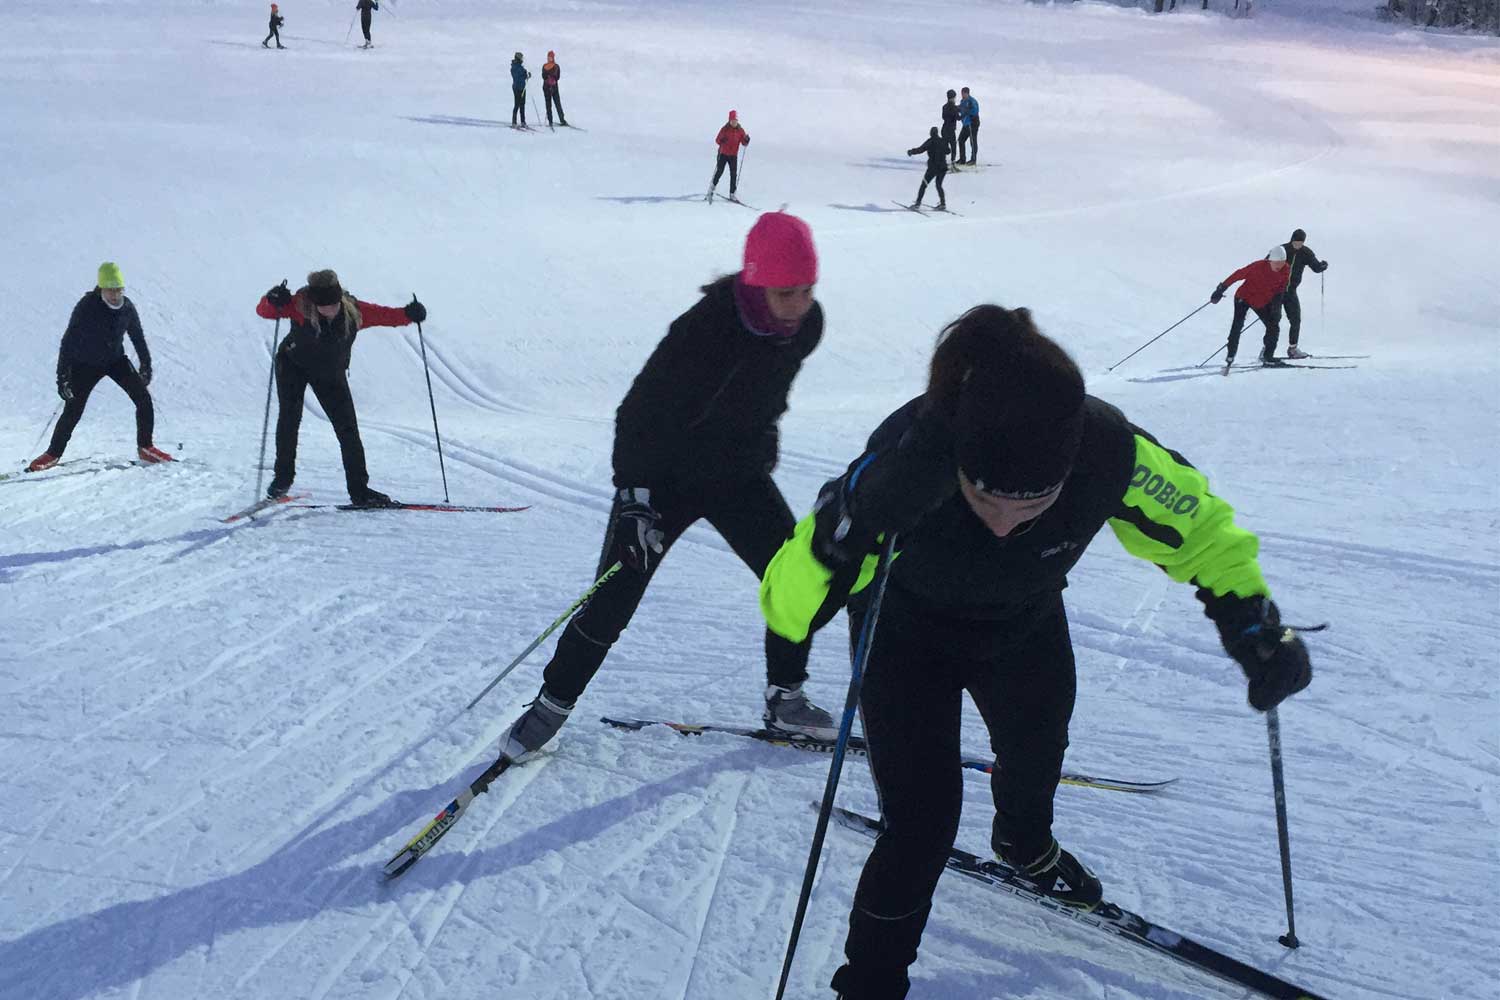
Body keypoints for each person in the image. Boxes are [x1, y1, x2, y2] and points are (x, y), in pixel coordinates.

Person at [758, 305, 1314, 1000]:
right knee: (922, 826)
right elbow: (786, 608)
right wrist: (848, 526)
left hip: (1021, 623)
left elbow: (1201, 529)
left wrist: (1251, 620)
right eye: (985, 499)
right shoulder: (911, 457)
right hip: (905, 637)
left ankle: (1024, 844)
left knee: (1039, 742)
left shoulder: (1109, 451)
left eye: (1033, 506)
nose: (1002, 525)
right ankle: (868, 985)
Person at [496, 212, 836, 765]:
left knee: (793, 581)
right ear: (754, 283)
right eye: (785, 293)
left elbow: (764, 392)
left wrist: (761, 438)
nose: (799, 305)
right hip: (663, 479)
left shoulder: (805, 327)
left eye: (806, 290)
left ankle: (785, 699)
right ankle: (551, 706)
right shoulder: (703, 331)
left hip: (735, 475)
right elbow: (636, 414)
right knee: (614, 595)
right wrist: (634, 499)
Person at [254, 270, 426, 506]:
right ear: (314, 302)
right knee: (289, 419)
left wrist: (409, 314)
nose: (329, 309)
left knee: (348, 430)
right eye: (323, 305)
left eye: (333, 304)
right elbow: (264, 311)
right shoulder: (298, 305)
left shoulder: (354, 312)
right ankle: (282, 479)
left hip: (329, 374)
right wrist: (271, 298)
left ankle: (360, 491)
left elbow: (386, 315)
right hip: (292, 365)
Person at [27, 263, 174, 472]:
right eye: (110, 290)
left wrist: (146, 365)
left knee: (143, 398)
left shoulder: (127, 307)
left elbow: (137, 336)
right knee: (73, 409)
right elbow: (68, 341)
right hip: (85, 364)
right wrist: (63, 378)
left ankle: (146, 447)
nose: (115, 295)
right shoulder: (87, 306)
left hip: (115, 361)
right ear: (101, 288)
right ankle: (52, 454)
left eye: (119, 290)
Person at [1211, 246, 1290, 370]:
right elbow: (1237, 275)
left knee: (1273, 326)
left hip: (1262, 301)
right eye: (1276, 263)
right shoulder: (1258, 266)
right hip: (1243, 297)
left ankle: (1268, 357)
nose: (1279, 266)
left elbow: (1281, 288)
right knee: (1237, 325)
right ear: (1270, 261)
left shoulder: (1285, 269)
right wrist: (1221, 289)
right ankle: (1231, 355)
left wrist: (1277, 305)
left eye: (1282, 262)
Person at [1278, 228, 1329, 359]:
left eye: (1300, 242)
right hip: (1275, 291)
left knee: (1295, 320)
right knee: (1273, 321)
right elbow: (1266, 265)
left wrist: (1322, 266)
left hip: (1290, 292)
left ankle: (1293, 349)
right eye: (1296, 241)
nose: (1298, 244)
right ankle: (1267, 349)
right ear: (1292, 239)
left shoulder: (1306, 253)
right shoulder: (1281, 250)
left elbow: (1315, 267)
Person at [709, 110, 751, 202]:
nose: (734, 122)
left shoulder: (740, 130)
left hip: (733, 156)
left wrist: (746, 140)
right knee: (719, 171)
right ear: (729, 120)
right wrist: (722, 140)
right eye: (732, 120)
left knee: (733, 174)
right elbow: (717, 140)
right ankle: (712, 188)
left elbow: (744, 143)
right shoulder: (725, 129)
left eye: (735, 120)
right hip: (723, 153)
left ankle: (732, 194)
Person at [906, 126, 948, 210]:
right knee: (939, 185)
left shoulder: (930, 141)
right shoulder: (942, 141)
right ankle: (943, 204)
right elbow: (948, 151)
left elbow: (921, 149)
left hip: (933, 168)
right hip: (943, 167)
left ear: (931, 133)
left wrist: (911, 151)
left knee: (924, 185)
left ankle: (917, 204)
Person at [541, 50, 567, 127]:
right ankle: (550, 121)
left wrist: (551, 77)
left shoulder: (556, 66)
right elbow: (543, 76)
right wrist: (549, 77)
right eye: (548, 57)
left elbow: (557, 76)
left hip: (554, 88)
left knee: (558, 104)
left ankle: (562, 119)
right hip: (546, 88)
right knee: (548, 105)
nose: (549, 58)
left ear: (553, 57)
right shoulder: (544, 66)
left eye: (551, 57)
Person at [956, 87, 980, 165]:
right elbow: (961, 108)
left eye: (963, 93)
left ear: (967, 93)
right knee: (961, 140)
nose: (962, 95)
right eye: (961, 93)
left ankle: (973, 160)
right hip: (966, 124)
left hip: (972, 124)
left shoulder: (972, 101)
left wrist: (968, 111)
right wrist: (956, 108)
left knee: (972, 141)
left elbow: (975, 111)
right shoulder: (963, 101)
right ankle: (962, 159)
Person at [940, 90, 961, 167]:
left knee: (945, 147)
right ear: (952, 98)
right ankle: (953, 162)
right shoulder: (954, 108)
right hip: (950, 130)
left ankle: (942, 161)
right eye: (954, 97)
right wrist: (964, 114)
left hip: (944, 129)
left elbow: (943, 117)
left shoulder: (944, 107)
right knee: (953, 147)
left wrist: (958, 108)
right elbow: (958, 118)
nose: (955, 99)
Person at [510, 52, 531, 127]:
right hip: (517, 88)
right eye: (521, 58)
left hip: (522, 88)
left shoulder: (521, 67)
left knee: (522, 104)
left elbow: (524, 75)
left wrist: (527, 75)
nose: (522, 60)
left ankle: (523, 121)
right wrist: (525, 74)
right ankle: (514, 122)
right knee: (517, 104)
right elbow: (517, 77)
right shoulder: (514, 67)